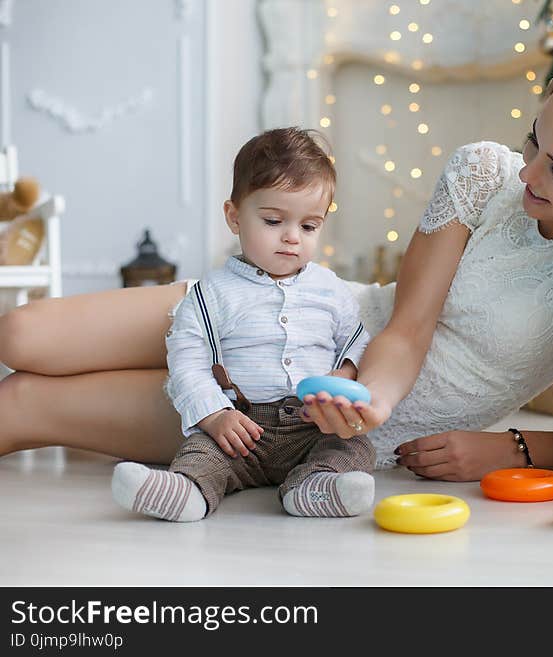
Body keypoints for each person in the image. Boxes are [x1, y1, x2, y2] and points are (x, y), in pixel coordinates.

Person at [0, 59, 553, 484]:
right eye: (535, 142)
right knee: (23, 334)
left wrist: (519, 447)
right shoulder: (485, 174)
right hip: (327, 323)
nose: (531, 173)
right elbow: (408, 327)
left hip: (294, 421)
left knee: (22, 407)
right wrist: (366, 393)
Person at [110, 127, 374, 522]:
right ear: (234, 217)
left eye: (308, 226)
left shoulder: (329, 289)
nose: (291, 238)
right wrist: (214, 415)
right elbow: (187, 360)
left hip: (311, 425)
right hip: (240, 426)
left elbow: (356, 340)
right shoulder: (211, 293)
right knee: (203, 453)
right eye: (272, 220)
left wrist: (346, 372)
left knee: (354, 447)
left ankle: (312, 488)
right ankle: (187, 492)